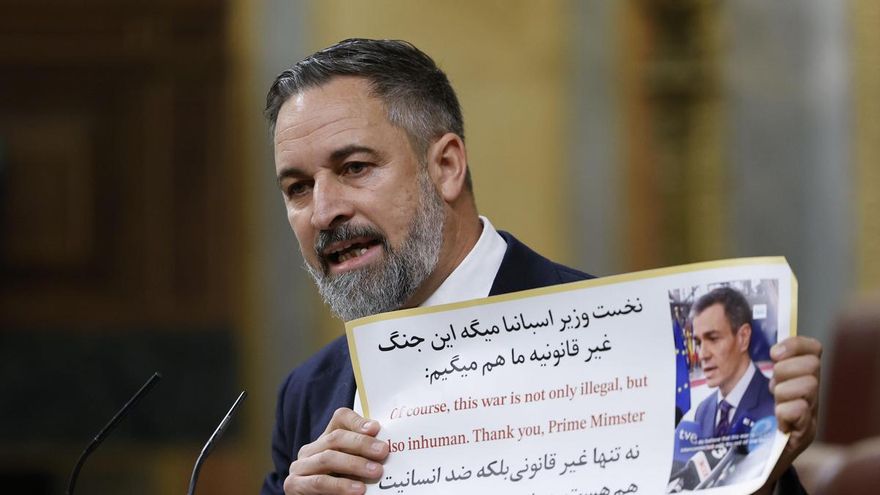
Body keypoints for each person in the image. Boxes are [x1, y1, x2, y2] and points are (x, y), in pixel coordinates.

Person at [260, 38, 821, 495]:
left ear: (447, 166)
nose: (325, 210)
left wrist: (761, 473)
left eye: (355, 167)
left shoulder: (631, 346)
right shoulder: (308, 394)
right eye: (298, 188)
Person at [692, 287, 774, 440]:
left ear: (743, 337)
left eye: (713, 338)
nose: (702, 354)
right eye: (698, 342)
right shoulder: (702, 412)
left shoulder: (776, 403)